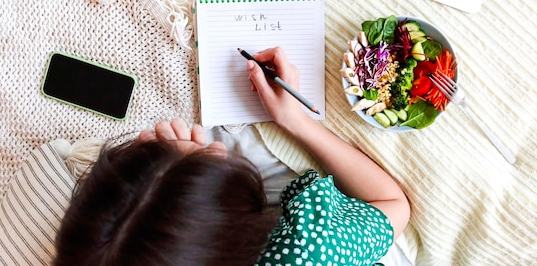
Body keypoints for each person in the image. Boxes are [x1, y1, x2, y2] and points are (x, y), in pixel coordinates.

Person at [54, 47, 410, 266]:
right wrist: (297, 122)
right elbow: (393, 203)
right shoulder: (308, 249)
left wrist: (172, 174)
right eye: (213, 157)